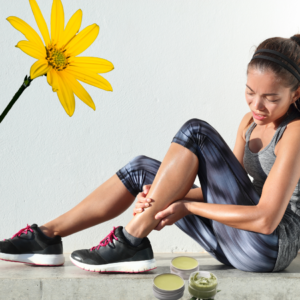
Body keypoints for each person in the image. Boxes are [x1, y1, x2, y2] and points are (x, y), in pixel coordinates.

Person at [1, 35, 300, 273]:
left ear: (296, 94)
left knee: (196, 132)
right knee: (140, 170)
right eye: (250, 92)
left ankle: (131, 238)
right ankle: (47, 236)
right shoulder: (248, 123)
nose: (257, 106)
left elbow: (265, 220)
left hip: (266, 248)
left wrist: (186, 205)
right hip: (233, 242)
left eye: (271, 98)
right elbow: (222, 191)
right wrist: (163, 193)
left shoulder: (295, 132)